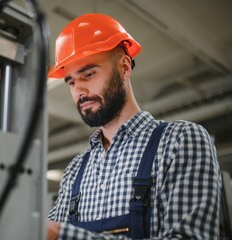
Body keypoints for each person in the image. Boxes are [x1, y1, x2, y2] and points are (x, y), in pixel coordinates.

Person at [47, 13, 221, 240]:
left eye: (88, 74)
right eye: (71, 81)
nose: (79, 91)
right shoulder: (75, 171)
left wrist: (63, 235)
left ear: (125, 67)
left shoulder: (180, 141)